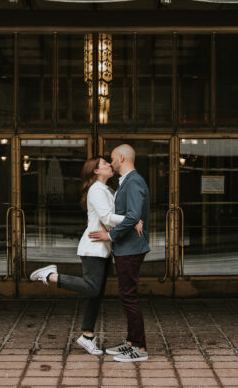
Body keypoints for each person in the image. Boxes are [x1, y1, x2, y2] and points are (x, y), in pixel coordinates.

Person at [27, 155, 142, 356]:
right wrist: (132, 220)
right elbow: (107, 217)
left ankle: (87, 336)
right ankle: (51, 276)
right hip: (93, 248)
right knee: (91, 288)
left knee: (94, 294)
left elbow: (105, 217)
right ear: (96, 171)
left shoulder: (105, 189)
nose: (109, 165)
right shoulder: (97, 190)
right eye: (104, 164)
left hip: (102, 247)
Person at [88, 143, 150, 363]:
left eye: (112, 158)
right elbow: (130, 216)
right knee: (126, 295)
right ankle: (131, 342)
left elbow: (133, 216)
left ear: (122, 158)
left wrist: (110, 237)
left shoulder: (133, 181)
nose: (111, 162)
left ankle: (140, 347)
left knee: (129, 296)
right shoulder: (125, 182)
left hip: (130, 248)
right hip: (126, 247)